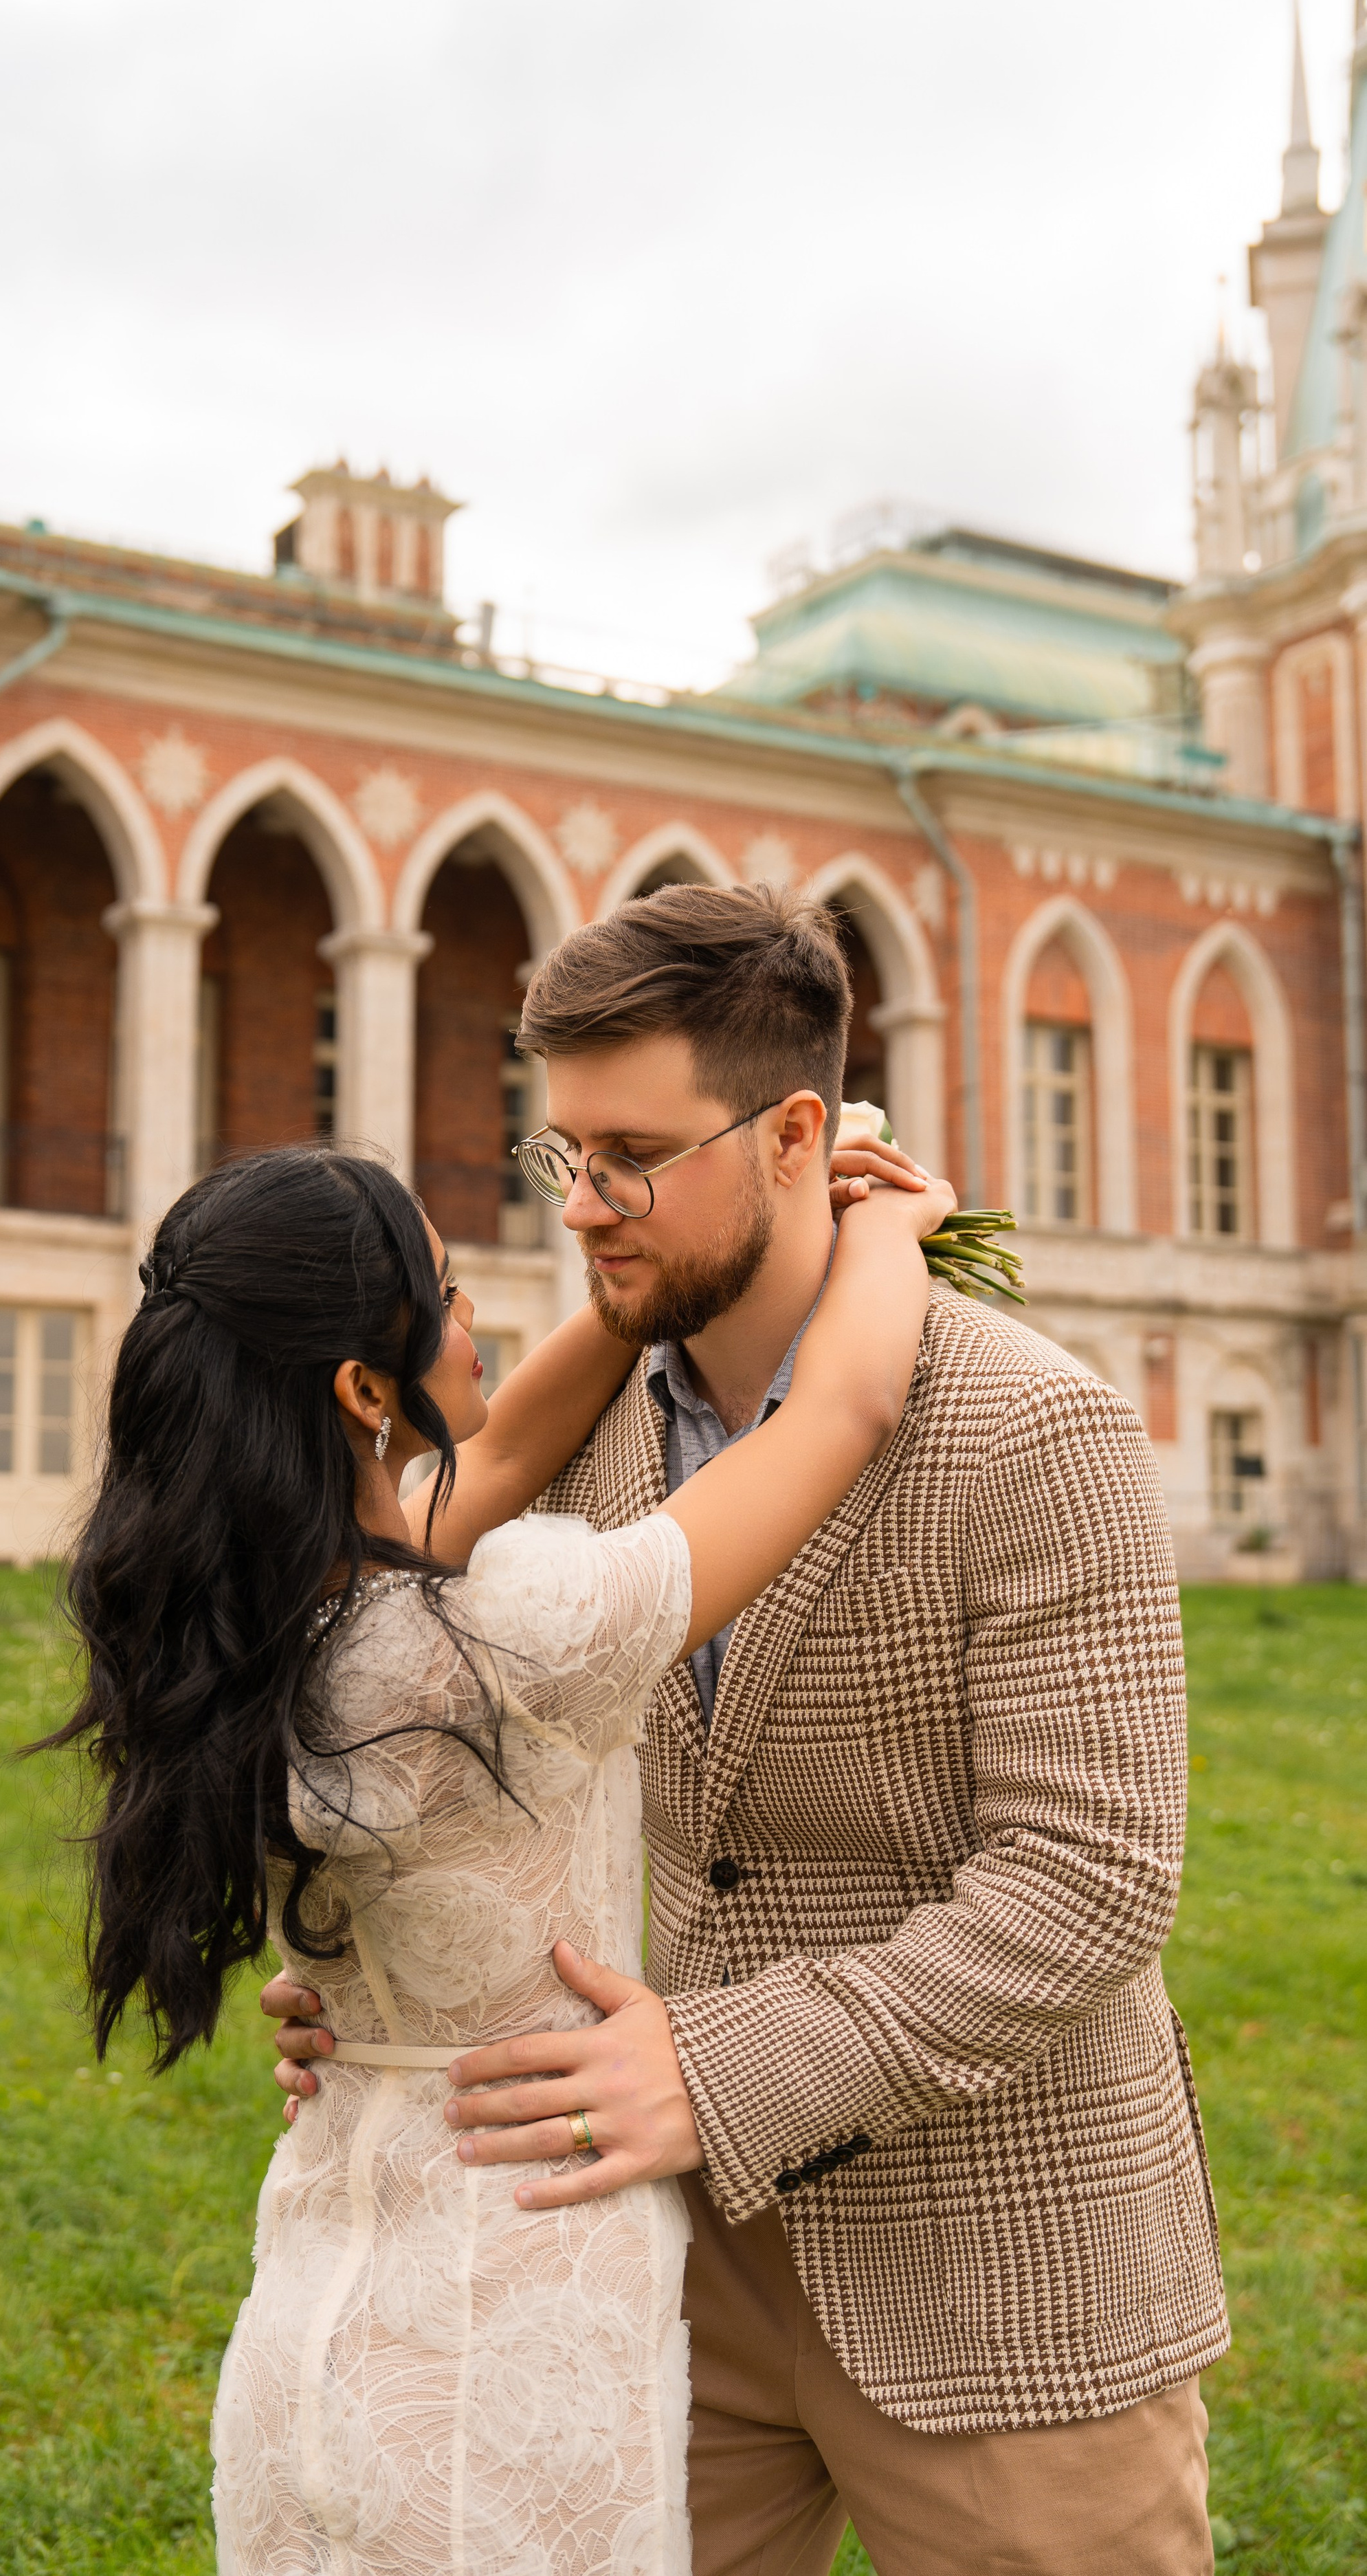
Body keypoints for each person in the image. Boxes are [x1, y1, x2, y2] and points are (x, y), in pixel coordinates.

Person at [269, 884, 1227, 2576]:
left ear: (797, 1133)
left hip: (1002, 2259)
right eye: (562, 1152)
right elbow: (449, 1735)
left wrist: (717, 2073)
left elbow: (1091, 1881)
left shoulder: (1035, 1428)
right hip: (649, 2268)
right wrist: (374, 1960)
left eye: (631, 1153)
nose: (583, 1207)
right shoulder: (561, 1437)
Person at [44, 1126, 953, 2576]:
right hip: (503, 2327)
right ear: (359, 1388)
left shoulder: (253, 1629)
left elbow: (511, 1444)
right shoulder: (498, 1637)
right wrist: (896, 1226)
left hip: (316, 2325)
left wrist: (634, 1286)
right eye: (447, 1296)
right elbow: (837, 1409)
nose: (476, 1325)